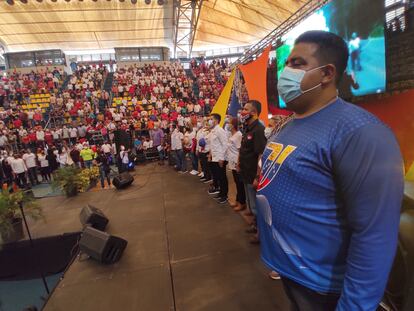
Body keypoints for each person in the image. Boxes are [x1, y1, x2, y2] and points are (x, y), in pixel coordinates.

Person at [257, 30, 403, 311]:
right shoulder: (290, 123)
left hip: (325, 289)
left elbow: (375, 234)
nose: (285, 72)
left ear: (327, 74)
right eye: (287, 64)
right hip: (293, 274)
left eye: (297, 63)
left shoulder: (360, 132)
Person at [237, 100, 267, 243]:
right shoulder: (247, 128)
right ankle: (256, 226)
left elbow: (261, 155)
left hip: (253, 175)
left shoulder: (258, 130)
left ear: (253, 112)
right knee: (251, 203)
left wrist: (257, 176)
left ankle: (261, 234)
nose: (242, 111)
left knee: (256, 206)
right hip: (246, 172)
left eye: (245, 109)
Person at [208, 113, 228, 204]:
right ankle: (221, 192)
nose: (209, 121)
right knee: (218, 177)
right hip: (214, 158)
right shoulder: (213, 131)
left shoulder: (220, 130)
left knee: (222, 177)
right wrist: (210, 155)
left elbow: (225, 144)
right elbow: (213, 145)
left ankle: (224, 195)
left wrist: (222, 158)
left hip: (220, 158)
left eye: (211, 119)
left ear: (216, 120)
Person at [226, 117, 245, 211]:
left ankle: (242, 202)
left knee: (239, 183)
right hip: (232, 162)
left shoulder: (238, 135)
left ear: (233, 125)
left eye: (229, 123)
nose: (227, 124)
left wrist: (238, 163)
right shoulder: (231, 134)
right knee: (237, 183)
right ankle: (238, 200)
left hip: (237, 162)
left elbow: (239, 150)